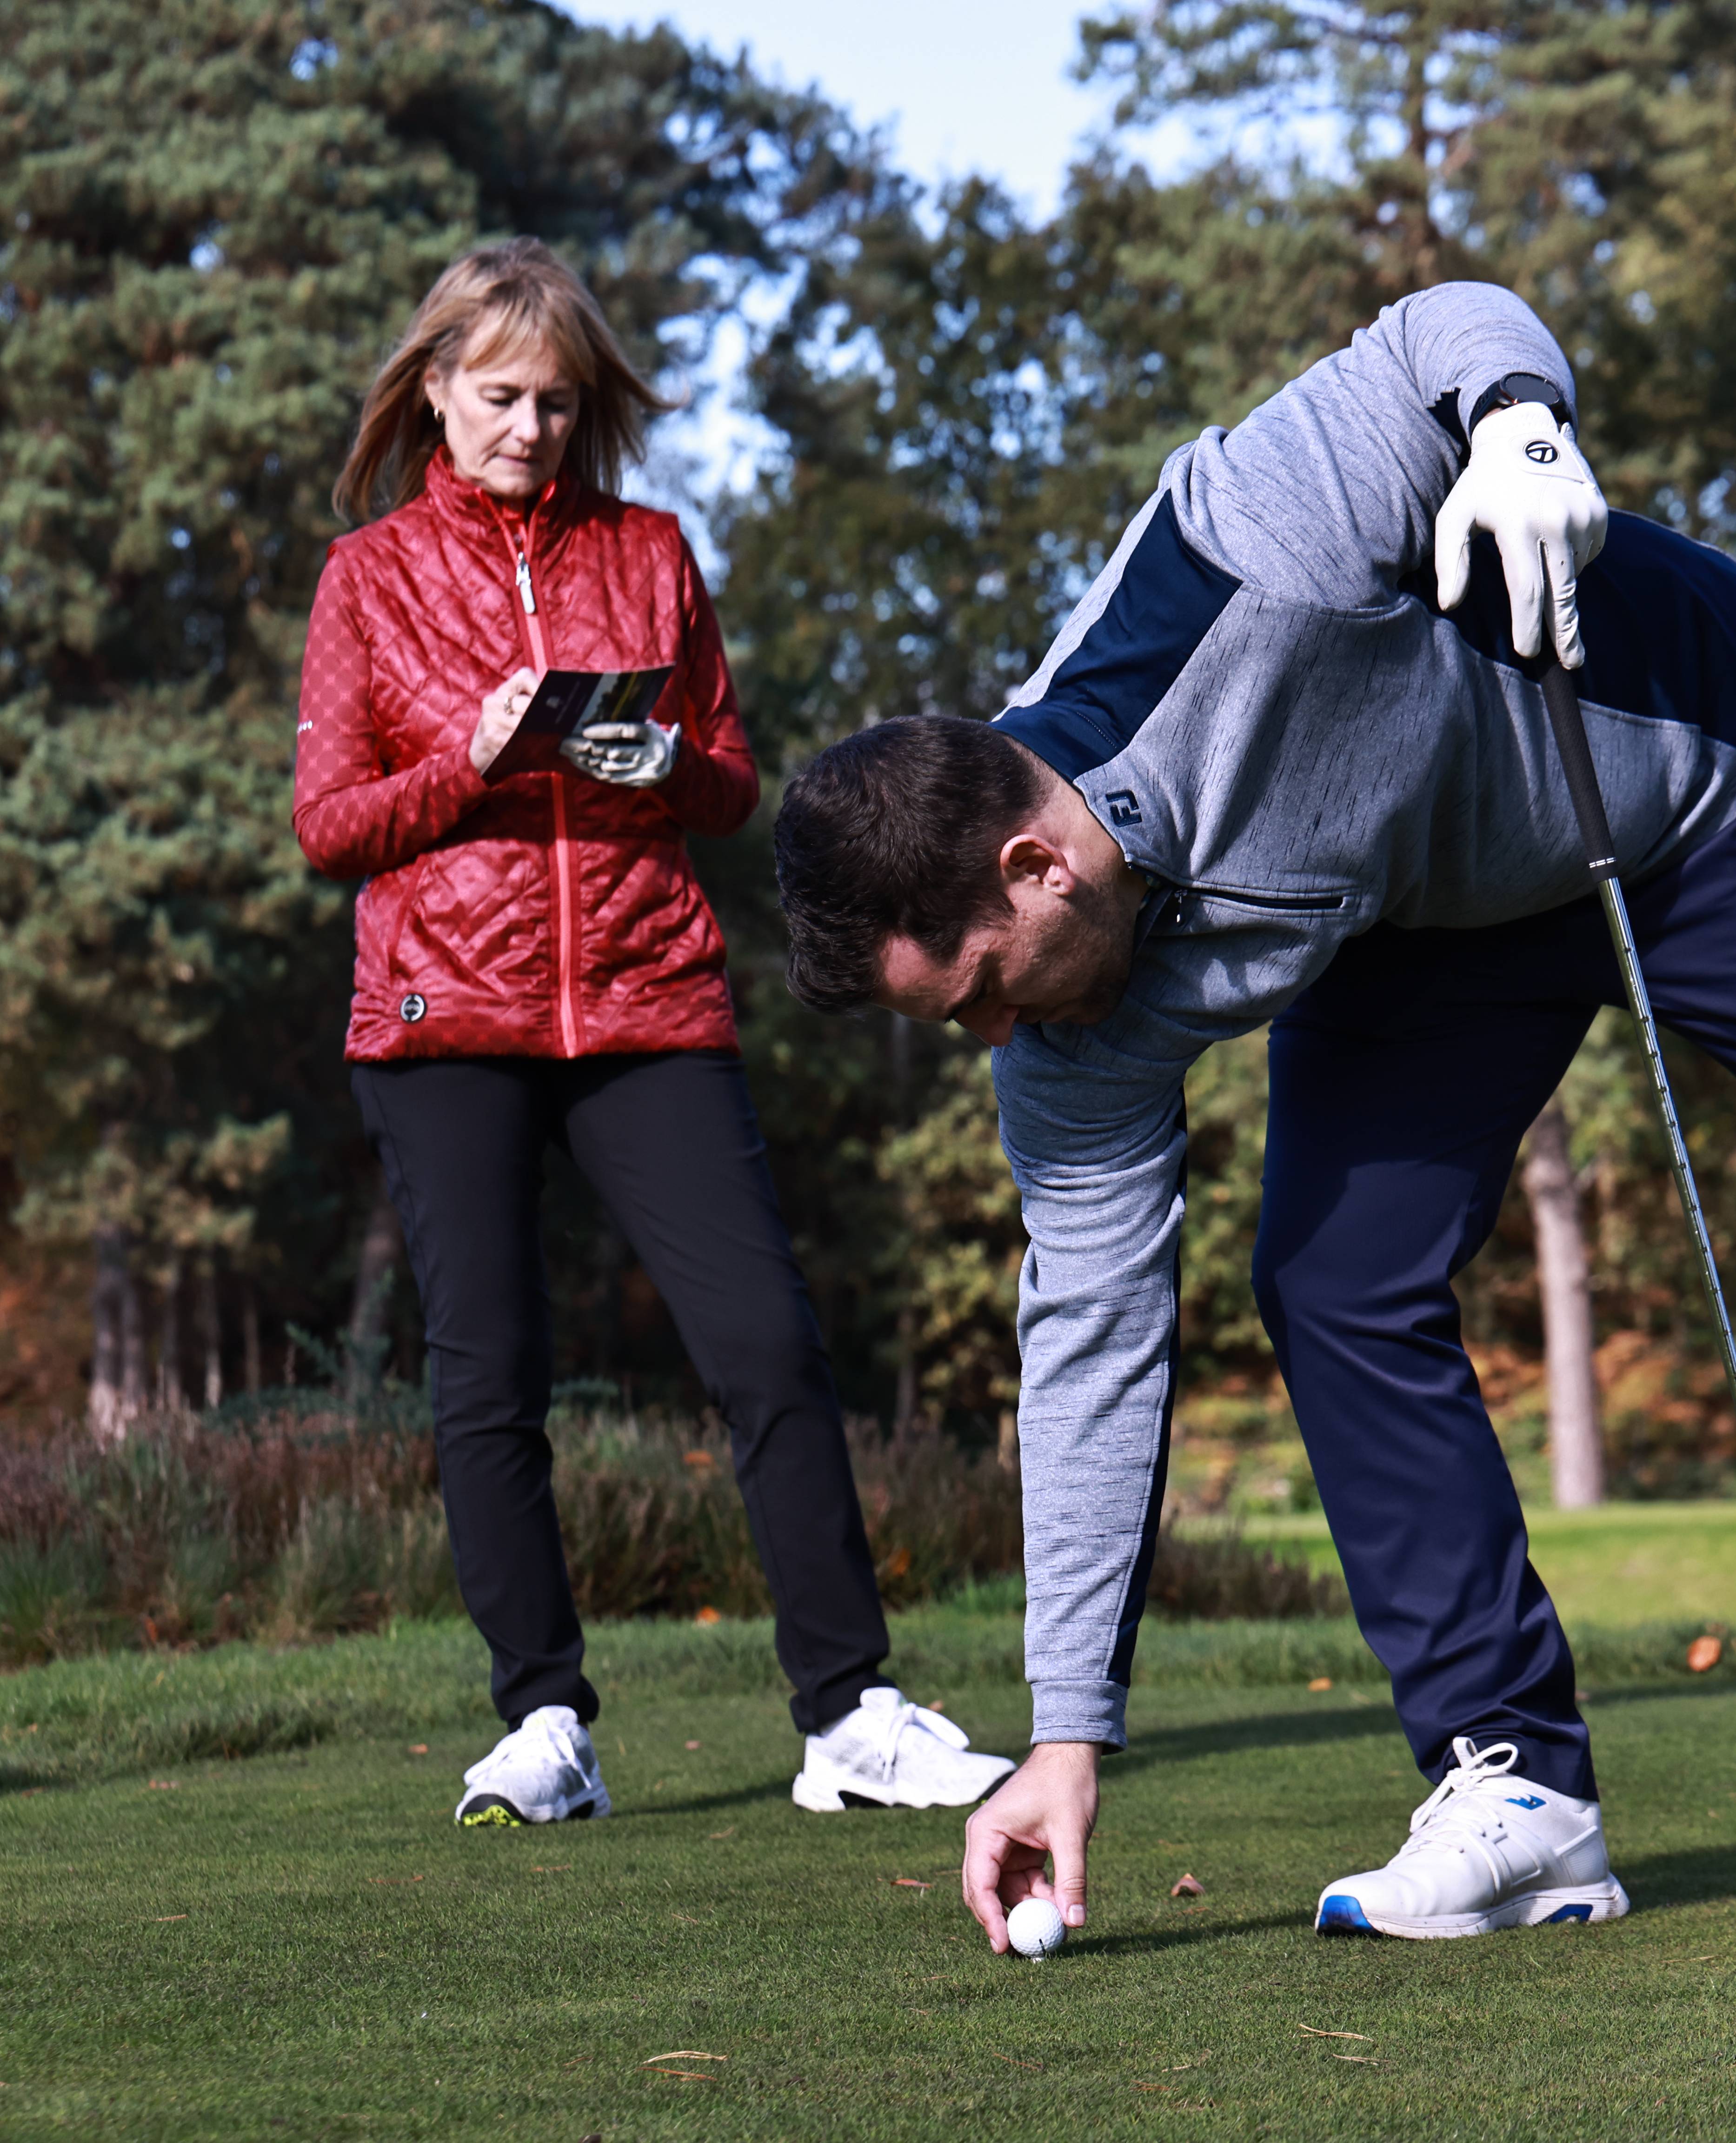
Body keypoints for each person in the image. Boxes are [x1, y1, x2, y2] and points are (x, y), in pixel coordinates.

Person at [772, 281, 1736, 1948]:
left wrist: (1517, 426)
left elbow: (1440, 326)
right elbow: (1089, 1339)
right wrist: (1068, 1736)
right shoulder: (1064, 1039)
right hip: (1432, 911)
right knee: (1335, 1279)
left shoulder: (1247, 549)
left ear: (1035, 866)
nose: (995, 1040)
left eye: (981, 991)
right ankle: (1521, 1790)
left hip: (1694, 788)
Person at [294, 239, 1011, 1828]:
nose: (531, 428)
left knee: (767, 1345)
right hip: (443, 1016)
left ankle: (850, 1717)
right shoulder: (369, 576)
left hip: (646, 995)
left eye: (559, 402)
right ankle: (545, 1724)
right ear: (435, 389)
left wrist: (663, 762)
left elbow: (733, 786)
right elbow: (331, 825)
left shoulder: (653, 553)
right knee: (491, 1377)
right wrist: (475, 763)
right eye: (501, 397)